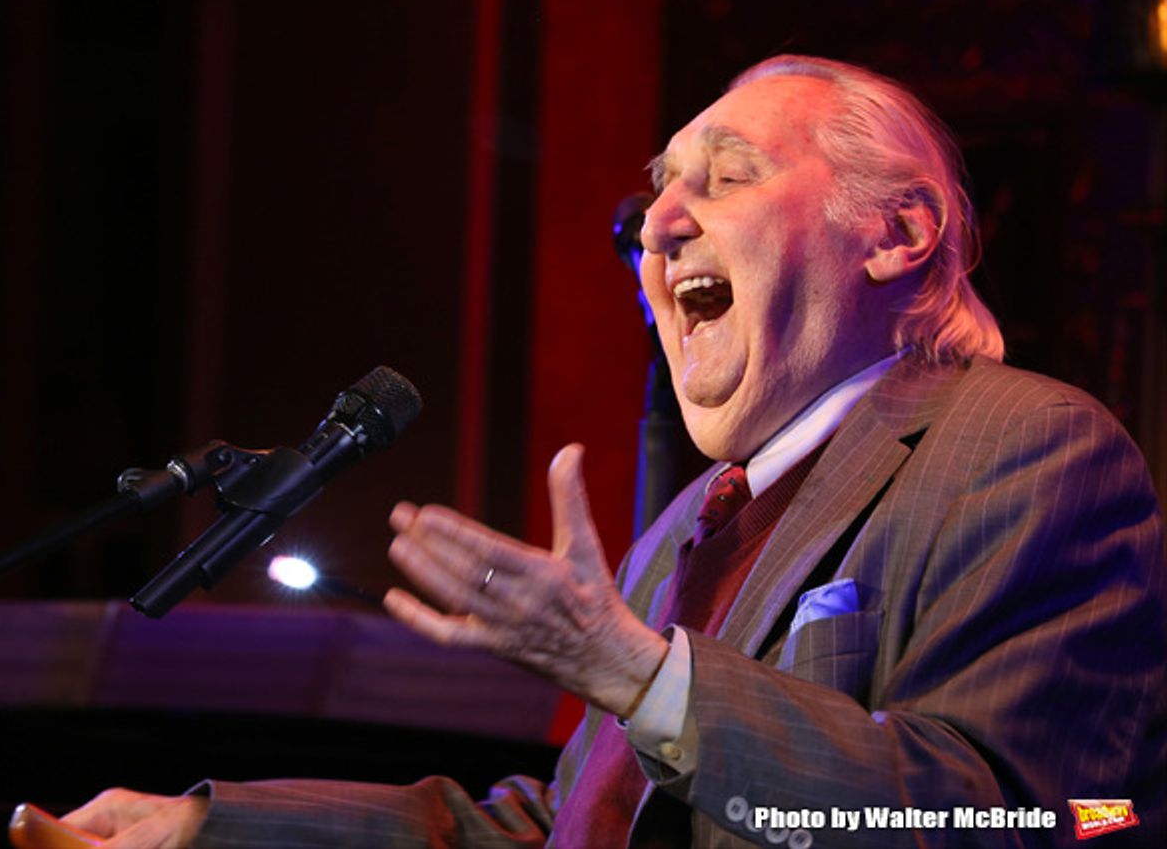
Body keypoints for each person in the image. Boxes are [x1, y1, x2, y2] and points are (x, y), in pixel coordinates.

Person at [61, 55, 1164, 848]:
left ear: (896, 234)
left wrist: (639, 674)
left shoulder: (1025, 449)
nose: (658, 221)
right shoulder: (688, 526)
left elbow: (1021, 821)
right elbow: (576, 826)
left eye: (725, 176)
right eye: (656, 192)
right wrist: (209, 827)